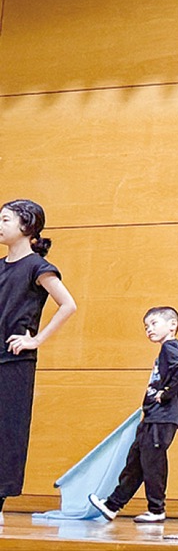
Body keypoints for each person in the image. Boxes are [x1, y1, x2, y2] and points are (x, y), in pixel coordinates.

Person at [0, 199, 77, 525]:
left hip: (14, 362)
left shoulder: (37, 267)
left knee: (7, 434)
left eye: (5, 219)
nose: (0, 224)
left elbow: (68, 304)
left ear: (27, 225)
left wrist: (35, 340)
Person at [89, 306, 178, 523]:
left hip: (162, 417)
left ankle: (156, 510)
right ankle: (112, 505)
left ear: (172, 325)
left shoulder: (170, 347)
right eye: (146, 327)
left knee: (152, 463)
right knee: (136, 461)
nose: (149, 330)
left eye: (154, 324)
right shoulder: (166, 350)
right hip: (152, 416)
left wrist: (166, 393)